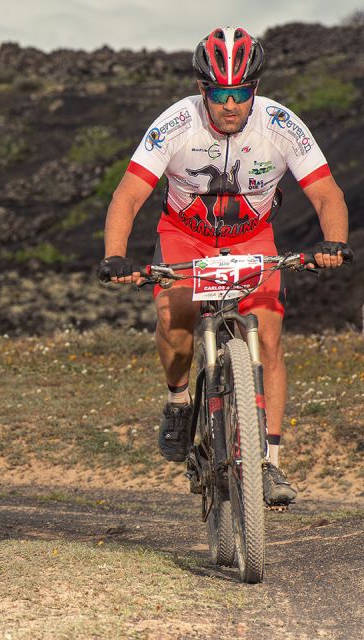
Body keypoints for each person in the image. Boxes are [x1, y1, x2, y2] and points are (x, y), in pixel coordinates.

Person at [98, 27, 352, 506]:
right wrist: (115, 255)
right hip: (184, 237)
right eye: (220, 94)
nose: (230, 105)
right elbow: (129, 194)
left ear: (253, 89)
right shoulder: (175, 123)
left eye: (240, 93)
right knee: (174, 321)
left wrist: (333, 242)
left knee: (270, 336)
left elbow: (326, 193)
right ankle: (178, 401)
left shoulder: (280, 123)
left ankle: (270, 464)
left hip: (252, 238)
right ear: (203, 90)